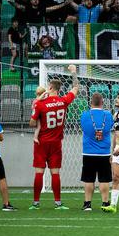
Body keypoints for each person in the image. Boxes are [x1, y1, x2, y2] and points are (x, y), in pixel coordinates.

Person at [29, 64, 80, 210]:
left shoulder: (41, 104)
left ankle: (36, 203)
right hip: (56, 142)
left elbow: (32, 123)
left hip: (41, 142)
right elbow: (76, 88)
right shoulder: (64, 101)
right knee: (55, 172)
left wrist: (36, 104)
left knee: (39, 171)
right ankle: (58, 203)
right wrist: (73, 72)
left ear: (51, 88)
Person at [79, 92, 113, 211]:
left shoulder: (85, 115)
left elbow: (83, 128)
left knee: (89, 179)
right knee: (104, 179)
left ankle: (87, 203)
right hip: (104, 153)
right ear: (102, 103)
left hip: (88, 152)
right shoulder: (108, 115)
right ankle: (105, 203)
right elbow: (110, 128)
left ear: (90, 103)